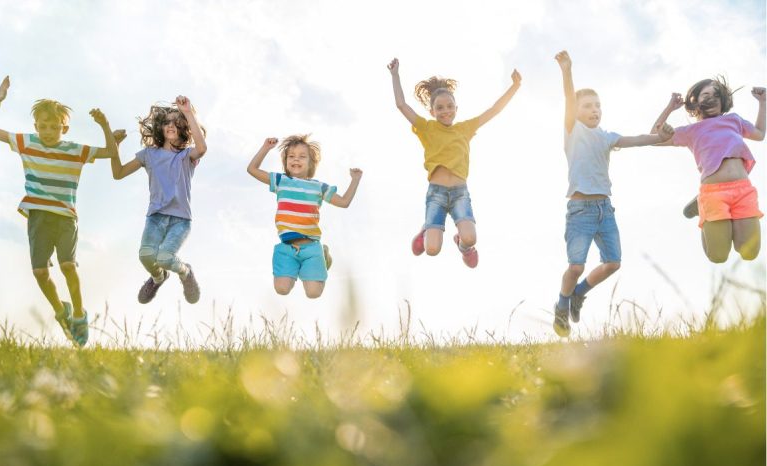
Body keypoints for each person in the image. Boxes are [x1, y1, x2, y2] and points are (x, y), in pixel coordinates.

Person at [0, 75, 123, 346]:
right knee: (40, 274)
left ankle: (80, 316)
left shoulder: (74, 150)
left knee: (68, 265)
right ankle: (62, 311)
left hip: (65, 217)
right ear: (36, 126)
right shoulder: (27, 143)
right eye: (43, 126)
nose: (48, 131)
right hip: (38, 217)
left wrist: (105, 125)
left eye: (54, 126)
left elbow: (109, 152)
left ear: (65, 129)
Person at [552, 51, 674, 337]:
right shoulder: (573, 131)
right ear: (577, 112)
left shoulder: (607, 137)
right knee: (576, 265)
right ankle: (561, 304)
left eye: (598, 106)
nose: (594, 110)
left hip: (604, 210)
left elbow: (639, 139)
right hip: (580, 211)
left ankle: (579, 293)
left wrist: (661, 137)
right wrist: (567, 69)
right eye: (588, 106)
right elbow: (569, 98)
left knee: (613, 263)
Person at [387, 57, 521, 268]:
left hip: (460, 193)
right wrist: (395, 75)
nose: (446, 111)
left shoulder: (465, 129)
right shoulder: (426, 128)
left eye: (450, 106)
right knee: (432, 250)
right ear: (432, 112)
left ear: (456, 108)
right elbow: (401, 105)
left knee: (471, 238)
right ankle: (425, 230)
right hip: (436, 194)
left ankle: (462, 245)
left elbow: (494, 110)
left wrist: (514, 87)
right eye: (440, 108)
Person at [651, 78, 764, 263]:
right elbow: (653, 138)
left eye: (716, 95)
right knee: (718, 256)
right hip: (714, 193)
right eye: (706, 94)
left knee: (749, 253)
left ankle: (703, 206)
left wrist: (763, 102)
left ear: (723, 101)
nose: (712, 98)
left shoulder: (733, 120)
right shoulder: (691, 131)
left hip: (742, 190)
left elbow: (759, 134)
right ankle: (702, 207)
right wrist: (670, 108)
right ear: (695, 100)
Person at [108, 96, 206, 304]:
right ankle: (158, 278)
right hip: (155, 218)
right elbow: (118, 173)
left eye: (176, 122)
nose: (170, 125)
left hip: (180, 220)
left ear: (183, 128)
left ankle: (185, 272)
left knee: (164, 257)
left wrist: (188, 113)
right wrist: (114, 146)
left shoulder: (187, 156)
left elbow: (202, 148)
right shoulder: (149, 154)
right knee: (145, 255)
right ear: (160, 128)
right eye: (166, 122)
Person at [247, 135, 362, 298]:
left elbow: (344, 202)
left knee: (313, 293)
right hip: (287, 248)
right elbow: (252, 169)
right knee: (282, 289)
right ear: (286, 161)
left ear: (311, 163)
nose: (296, 160)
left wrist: (355, 180)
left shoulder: (318, 187)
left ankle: (323, 258)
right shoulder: (281, 181)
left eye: (302, 156)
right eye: (291, 156)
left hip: (311, 248)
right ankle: (298, 268)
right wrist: (265, 148)